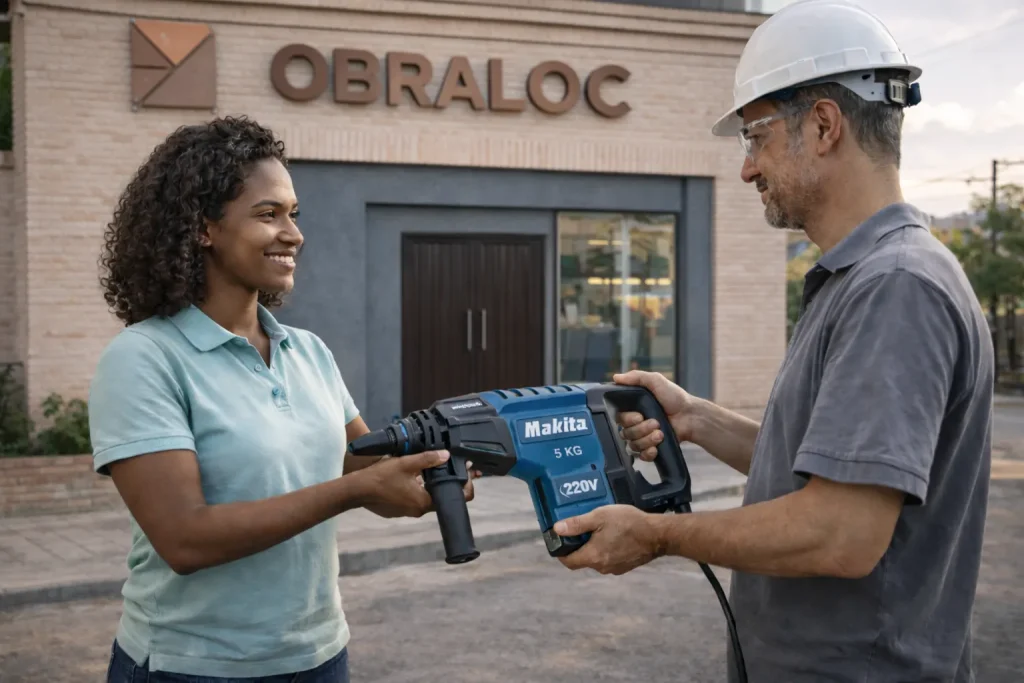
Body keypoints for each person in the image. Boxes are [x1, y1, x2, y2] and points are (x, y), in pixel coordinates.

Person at [551, 2, 994, 682]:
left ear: (823, 125)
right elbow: (830, 471)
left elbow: (841, 529)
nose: (747, 169)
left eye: (755, 138)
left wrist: (658, 533)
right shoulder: (859, 278)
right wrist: (696, 418)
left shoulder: (896, 286)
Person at [89, 115, 477, 682]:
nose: (293, 233)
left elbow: (361, 464)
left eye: (294, 215)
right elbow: (184, 538)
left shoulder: (308, 351)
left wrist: (435, 468)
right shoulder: (144, 359)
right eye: (268, 215)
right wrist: (357, 491)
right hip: (191, 667)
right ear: (203, 227)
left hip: (318, 656)